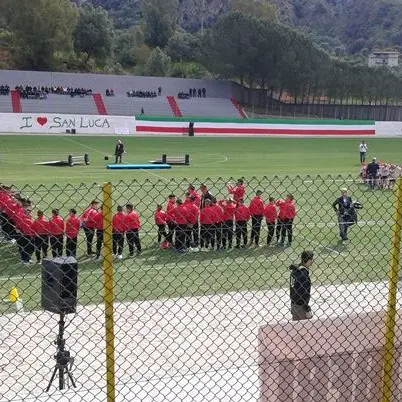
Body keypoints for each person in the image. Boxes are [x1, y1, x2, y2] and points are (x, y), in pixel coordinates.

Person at [289, 250, 313, 321]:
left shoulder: (295, 271)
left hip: (293, 303)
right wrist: (306, 308)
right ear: (308, 260)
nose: (312, 261)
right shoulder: (303, 274)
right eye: (311, 259)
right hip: (300, 306)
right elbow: (303, 292)